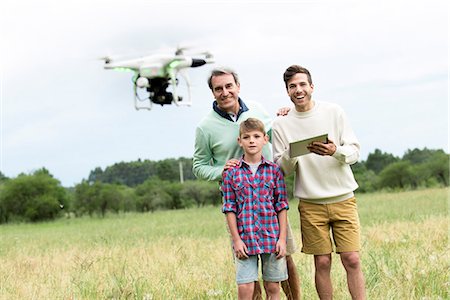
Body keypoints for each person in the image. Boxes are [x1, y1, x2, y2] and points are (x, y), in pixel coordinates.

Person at [193, 67, 301, 299]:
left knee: (284, 257)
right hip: (240, 202)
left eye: (228, 86)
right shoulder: (205, 127)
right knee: (248, 267)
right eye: (218, 89)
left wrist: (287, 114)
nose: (225, 92)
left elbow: (274, 132)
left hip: (268, 196)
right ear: (212, 92)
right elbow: (198, 165)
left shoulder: (257, 110)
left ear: (237, 87)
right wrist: (220, 170)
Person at [272, 65, 366, 300]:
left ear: (312, 87)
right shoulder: (281, 124)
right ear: (287, 92)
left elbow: (354, 153)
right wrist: (292, 153)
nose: (298, 90)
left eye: (302, 84)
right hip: (311, 203)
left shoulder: (334, 112)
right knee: (322, 262)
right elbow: (280, 170)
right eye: (292, 86)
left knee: (352, 258)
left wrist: (335, 151)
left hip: (343, 198)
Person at [222, 118, 288, 300]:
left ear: (265, 139)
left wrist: (282, 239)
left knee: (273, 286)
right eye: (246, 137)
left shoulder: (274, 171)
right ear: (239, 141)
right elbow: (229, 208)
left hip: (271, 237)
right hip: (245, 238)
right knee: (245, 286)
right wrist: (236, 240)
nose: (252, 140)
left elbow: (281, 205)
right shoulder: (231, 173)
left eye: (256, 136)